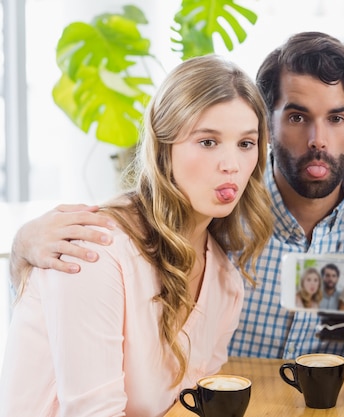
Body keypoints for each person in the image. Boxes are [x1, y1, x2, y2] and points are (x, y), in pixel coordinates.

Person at [8, 31, 344, 361]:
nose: (318, 139)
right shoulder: (216, 206)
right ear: (268, 124)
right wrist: (23, 246)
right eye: (297, 117)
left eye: (337, 119)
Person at [0, 55, 273, 416]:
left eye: (245, 144)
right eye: (208, 142)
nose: (232, 165)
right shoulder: (95, 251)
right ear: (164, 147)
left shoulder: (225, 283)